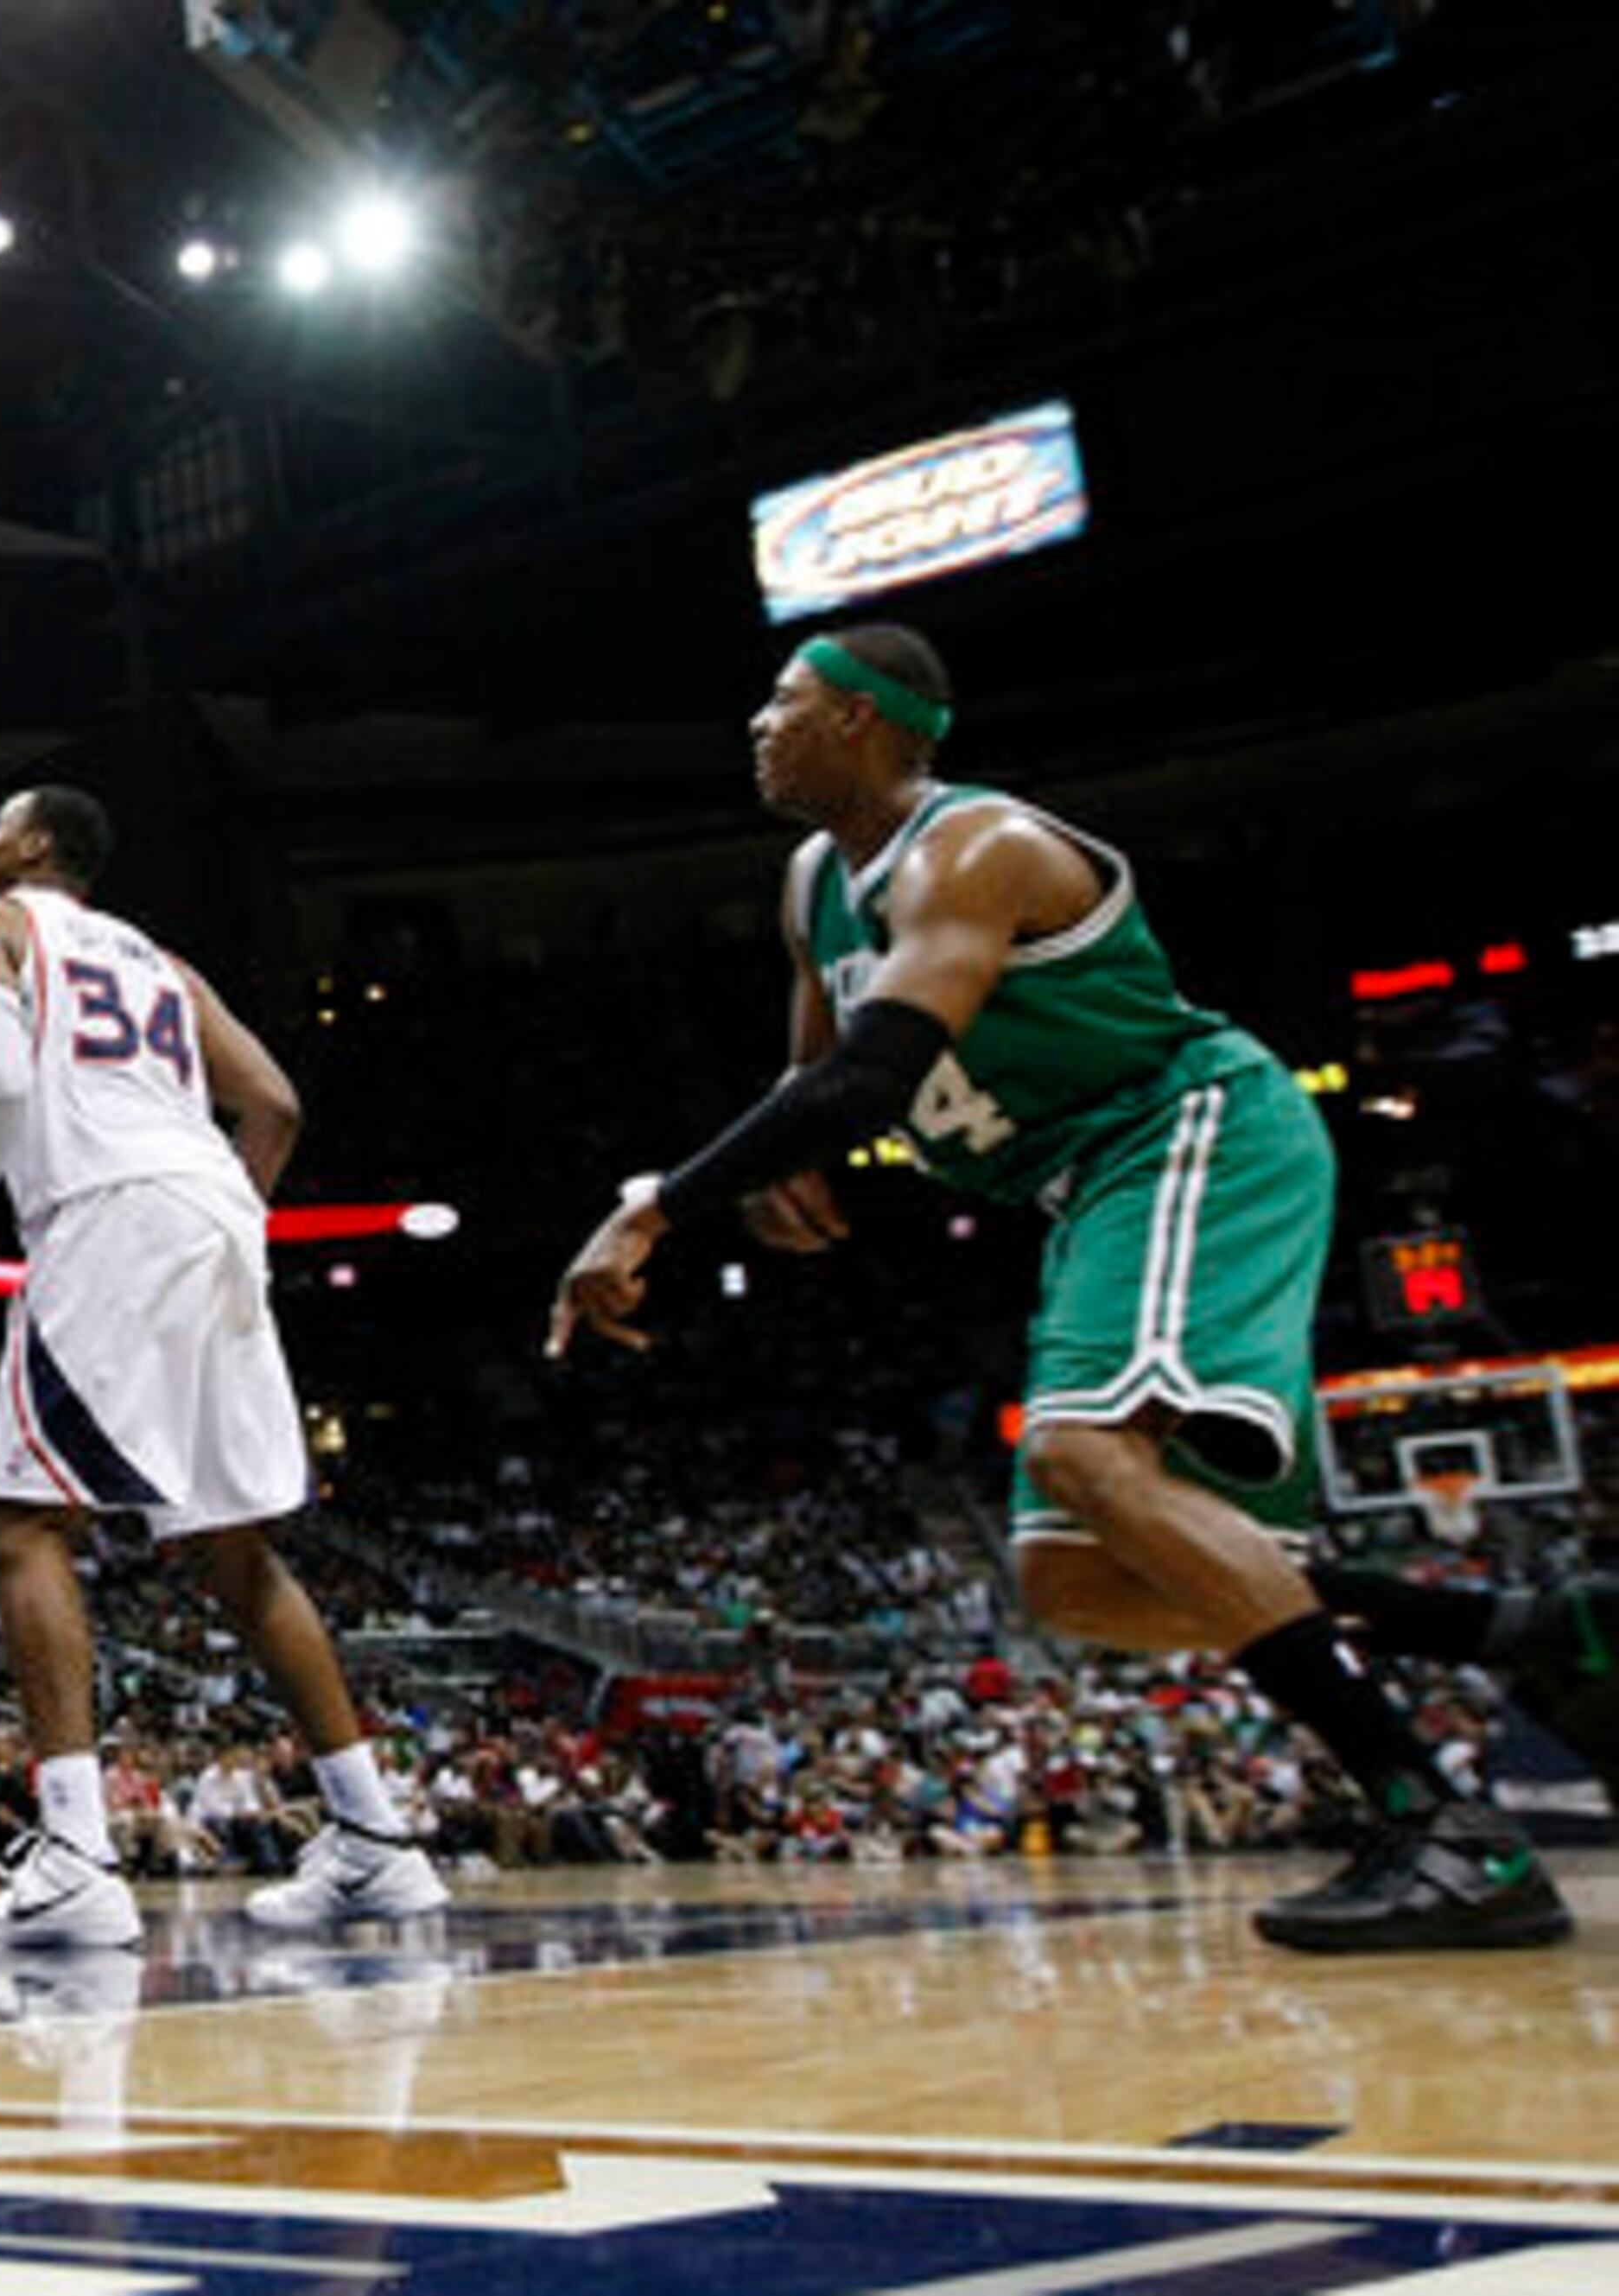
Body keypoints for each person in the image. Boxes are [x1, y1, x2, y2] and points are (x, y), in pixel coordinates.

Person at [546, 623, 1578, 1953]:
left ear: (864, 718)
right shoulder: (815, 880)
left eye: (784, 700)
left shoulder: (977, 847)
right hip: (1090, 1189)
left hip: (1187, 1129)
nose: (758, 722)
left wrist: (655, 1208)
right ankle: (1520, 1626)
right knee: (1076, 1580)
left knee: (1092, 1457)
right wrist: (763, 1178)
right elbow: (818, 1082)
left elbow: (874, 1073)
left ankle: (1445, 1830)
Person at [0, 785, 448, 1946]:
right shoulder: (164, 964)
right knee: (233, 1548)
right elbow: (277, 1105)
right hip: (214, 1211)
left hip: (110, 1213)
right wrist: (212, 1220)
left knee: (23, 1528)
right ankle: (375, 1840)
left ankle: (79, 1860)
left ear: (34, 846)